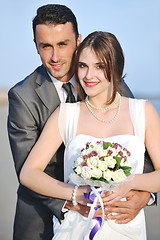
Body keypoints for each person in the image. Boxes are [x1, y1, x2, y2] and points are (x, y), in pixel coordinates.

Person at [7, 4, 154, 240]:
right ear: (36, 46)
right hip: (43, 221)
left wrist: (144, 194)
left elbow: (139, 149)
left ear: (77, 40)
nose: (55, 57)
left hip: (118, 219)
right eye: (46, 46)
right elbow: (28, 170)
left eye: (63, 44)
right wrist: (77, 199)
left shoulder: (111, 83)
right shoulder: (23, 97)